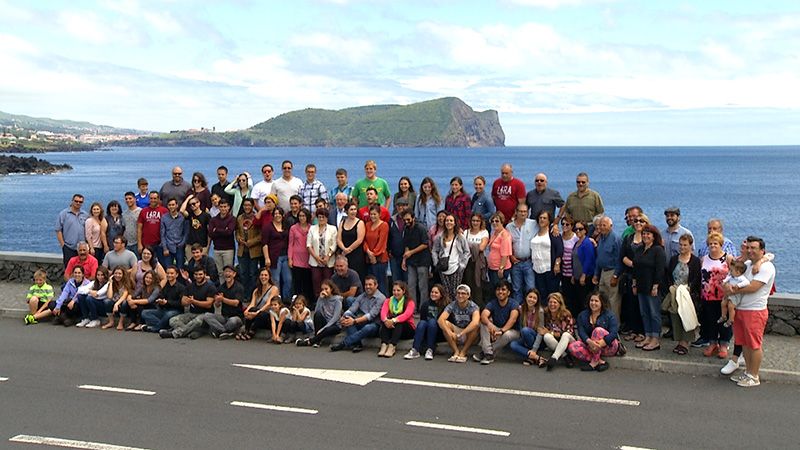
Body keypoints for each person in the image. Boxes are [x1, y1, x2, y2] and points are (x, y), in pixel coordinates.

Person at [725, 236, 776, 387]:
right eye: (748, 247)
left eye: (753, 248)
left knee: (754, 345)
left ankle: (754, 376)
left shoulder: (767, 267)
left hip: (755, 311)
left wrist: (733, 291)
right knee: (744, 344)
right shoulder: (747, 264)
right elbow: (732, 275)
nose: (749, 250)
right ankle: (748, 372)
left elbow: (754, 287)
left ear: (762, 250)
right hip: (741, 309)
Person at [697, 232, 734, 356]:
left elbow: (735, 274)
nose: (713, 246)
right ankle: (712, 343)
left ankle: (723, 344)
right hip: (707, 296)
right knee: (710, 320)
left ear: (721, 245)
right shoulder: (704, 259)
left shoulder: (728, 258)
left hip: (724, 296)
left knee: (724, 320)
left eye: (715, 243)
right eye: (711, 244)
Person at [665, 234, 702, 355]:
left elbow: (697, 277)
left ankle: (686, 342)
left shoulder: (695, 261)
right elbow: (669, 274)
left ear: (690, 246)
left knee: (686, 317)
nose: (682, 247)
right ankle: (679, 340)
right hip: (675, 291)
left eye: (685, 245)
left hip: (688, 293)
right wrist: (671, 287)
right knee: (675, 316)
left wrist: (690, 289)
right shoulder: (674, 259)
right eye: (680, 245)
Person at [632, 224, 666, 352]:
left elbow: (660, 270)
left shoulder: (658, 250)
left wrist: (656, 286)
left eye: (648, 234)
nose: (645, 236)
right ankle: (647, 336)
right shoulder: (639, 249)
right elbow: (635, 267)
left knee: (654, 313)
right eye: (644, 233)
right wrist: (634, 284)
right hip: (640, 285)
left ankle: (655, 339)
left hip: (652, 287)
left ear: (654, 236)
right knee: (644, 313)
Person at [568, 291, 621, 371]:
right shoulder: (582, 315)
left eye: (596, 301)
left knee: (598, 330)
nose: (593, 303)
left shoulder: (610, 315)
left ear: (602, 303)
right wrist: (590, 342)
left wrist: (601, 343)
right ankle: (600, 361)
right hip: (591, 345)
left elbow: (613, 333)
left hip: (609, 346)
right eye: (591, 300)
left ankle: (595, 362)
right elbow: (581, 332)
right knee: (572, 347)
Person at [332, 275, 386, 352]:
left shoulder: (381, 298)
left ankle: (344, 343)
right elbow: (352, 308)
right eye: (366, 285)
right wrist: (344, 316)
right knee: (347, 318)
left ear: (376, 285)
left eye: (370, 284)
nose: (367, 287)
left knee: (368, 327)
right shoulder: (362, 296)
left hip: (373, 324)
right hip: (360, 321)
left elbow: (371, 315)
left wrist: (354, 321)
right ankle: (357, 344)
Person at [160, 266, 217, 339]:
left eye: (200, 274)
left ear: (205, 275)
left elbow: (208, 305)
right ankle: (194, 331)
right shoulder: (190, 286)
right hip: (192, 313)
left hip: (206, 315)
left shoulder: (210, 287)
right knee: (173, 320)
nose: (198, 276)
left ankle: (174, 333)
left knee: (197, 321)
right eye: (196, 274)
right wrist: (186, 302)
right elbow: (183, 302)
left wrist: (193, 301)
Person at [474, 280, 520, 365]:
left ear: (508, 292)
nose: (500, 292)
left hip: (512, 331)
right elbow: (483, 315)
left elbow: (512, 320)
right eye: (498, 289)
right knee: (483, 323)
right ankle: (489, 354)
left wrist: (502, 331)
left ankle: (486, 352)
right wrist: (490, 325)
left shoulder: (513, 304)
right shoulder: (493, 303)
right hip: (497, 329)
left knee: (507, 334)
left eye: (503, 289)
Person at [619, 213, 649, 343]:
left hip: (644, 276)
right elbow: (623, 255)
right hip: (630, 275)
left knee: (642, 305)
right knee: (631, 304)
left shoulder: (648, 238)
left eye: (641, 221)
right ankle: (633, 330)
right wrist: (631, 263)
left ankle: (643, 331)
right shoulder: (629, 238)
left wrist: (638, 264)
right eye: (636, 221)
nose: (638, 223)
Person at [431, 212, 470, 300]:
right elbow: (434, 250)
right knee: (446, 292)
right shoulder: (440, 237)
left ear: (455, 223)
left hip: (456, 267)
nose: (449, 222)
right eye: (447, 220)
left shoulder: (460, 237)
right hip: (443, 267)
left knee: (455, 292)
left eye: (451, 220)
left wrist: (462, 265)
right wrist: (436, 263)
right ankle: (448, 308)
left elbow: (467, 251)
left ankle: (455, 307)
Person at [438, 284, 481, 363]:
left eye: (463, 293)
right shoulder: (452, 305)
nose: (460, 296)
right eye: (458, 293)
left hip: (468, 332)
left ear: (468, 295)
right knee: (445, 324)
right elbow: (440, 320)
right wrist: (450, 333)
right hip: (457, 330)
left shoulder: (473, 306)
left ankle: (463, 352)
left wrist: (462, 333)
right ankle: (456, 351)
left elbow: (475, 322)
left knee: (476, 326)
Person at [405, 284, 448, 360]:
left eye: (436, 293)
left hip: (439, 332)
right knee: (422, 323)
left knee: (432, 321)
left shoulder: (445, 305)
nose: (433, 294)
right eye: (432, 292)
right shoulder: (425, 304)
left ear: (441, 295)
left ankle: (430, 349)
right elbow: (423, 318)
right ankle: (415, 349)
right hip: (427, 331)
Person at [296, 280, 343, 347]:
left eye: (326, 289)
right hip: (325, 322)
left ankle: (310, 342)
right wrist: (320, 299)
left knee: (327, 329)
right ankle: (317, 341)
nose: (324, 291)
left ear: (331, 289)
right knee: (318, 315)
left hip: (335, 325)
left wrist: (323, 329)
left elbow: (335, 318)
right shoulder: (322, 298)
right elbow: (316, 312)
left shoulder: (337, 300)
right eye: (322, 289)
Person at [202, 265, 245, 339]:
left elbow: (236, 303)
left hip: (236, 317)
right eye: (225, 272)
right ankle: (225, 331)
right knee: (206, 316)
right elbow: (217, 305)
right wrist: (217, 301)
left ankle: (218, 330)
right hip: (224, 316)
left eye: (229, 272)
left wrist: (222, 299)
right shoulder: (221, 287)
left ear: (234, 274)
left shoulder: (239, 287)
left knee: (233, 321)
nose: (227, 274)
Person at [505, 204, 537, 303]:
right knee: (516, 288)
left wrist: (555, 227)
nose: (523, 213)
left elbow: (545, 224)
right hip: (515, 262)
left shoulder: (533, 224)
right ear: (516, 212)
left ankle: (529, 309)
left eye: (525, 211)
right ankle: (517, 309)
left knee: (530, 288)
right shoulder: (509, 227)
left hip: (528, 262)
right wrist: (511, 256)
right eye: (521, 211)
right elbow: (507, 243)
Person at [592, 215, 622, 319]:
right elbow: (599, 258)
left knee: (613, 301)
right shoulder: (601, 238)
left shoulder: (616, 239)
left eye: (604, 225)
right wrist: (596, 274)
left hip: (612, 272)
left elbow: (619, 259)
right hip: (602, 272)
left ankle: (615, 324)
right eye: (600, 225)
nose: (601, 227)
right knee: (603, 300)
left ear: (611, 226)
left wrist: (615, 276)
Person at [237, 267, 279, 340]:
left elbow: (269, 304)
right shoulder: (256, 290)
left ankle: (251, 331)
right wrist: (247, 310)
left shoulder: (274, 289)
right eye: (262, 275)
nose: (263, 277)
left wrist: (257, 312)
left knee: (261, 314)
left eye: (265, 275)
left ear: (269, 277)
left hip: (269, 316)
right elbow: (252, 303)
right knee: (251, 310)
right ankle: (246, 330)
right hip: (257, 315)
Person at [401, 211, 432, 308]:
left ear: (413, 218)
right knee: (411, 285)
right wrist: (404, 259)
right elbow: (406, 244)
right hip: (411, 261)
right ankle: (412, 308)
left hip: (422, 260)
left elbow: (425, 244)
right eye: (404, 220)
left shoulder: (421, 228)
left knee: (423, 286)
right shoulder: (406, 229)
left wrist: (411, 252)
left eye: (408, 219)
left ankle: (423, 308)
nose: (406, 222)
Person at [377, 281, 416, 358]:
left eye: (398, 290)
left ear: (403, 291)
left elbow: (406, 315)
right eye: (394, 290)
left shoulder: (410, 302)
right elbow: (383, 313)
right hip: (393, 328)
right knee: (385, 321)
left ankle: (392, 346)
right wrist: (386, 320)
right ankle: (384, 344)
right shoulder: (388, 300)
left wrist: (393, 320)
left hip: (407, 329)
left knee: (399, 322)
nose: (396, 293)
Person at [530, 210, 564, 301]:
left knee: (552, 295)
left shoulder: (553, 232)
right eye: (540, 218)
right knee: (541, 294)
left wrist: (557, 264)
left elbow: (560, 249)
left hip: (550, 269)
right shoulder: (535, 233)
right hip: (537, 269)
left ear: (549, 220)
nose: (542, 220)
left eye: (544, 218)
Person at [141, 266, 185, 332]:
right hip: (164, 309)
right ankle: (165, 327)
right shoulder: (165, 286)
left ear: (177, 275)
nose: (169, 275)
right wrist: (160, 301)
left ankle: (154, 328)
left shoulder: (181, 287)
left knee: (169, 314)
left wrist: (167, 302)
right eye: (168, 273)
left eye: (172, 273)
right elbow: (161, 297)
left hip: (176, 310)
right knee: (145, 312)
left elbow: (180, 303)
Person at [509, 288, 547, 367]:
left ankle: (532, 355)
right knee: (513, 344)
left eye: (534, 298)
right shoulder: (521, 309)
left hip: (537, 339)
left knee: (525, 330)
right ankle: (537, 358)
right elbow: (520, 326)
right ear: (526, 297)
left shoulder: (540, 311)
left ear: (537, 300)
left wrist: (534, 349)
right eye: (530, 297)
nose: (531, 300)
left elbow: (540, 332)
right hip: (525, 337)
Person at [261, 206, 292, 301]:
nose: (277, 215)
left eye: (279, 213)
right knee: (276, 280)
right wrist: (267, 258)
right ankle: (276, 301)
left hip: (286, 256)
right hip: (274, 257)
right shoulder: (268, 227)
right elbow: (264, 243)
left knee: (288, 279)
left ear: (283, 215)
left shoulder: (286, 226)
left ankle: (286, 300)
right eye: (275, 214)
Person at [540, 292, 576, 370]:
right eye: (550, 302)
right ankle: (565, 356)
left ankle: (554, 357)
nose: (552, 304)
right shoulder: (545, 313)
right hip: (554, 341)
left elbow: (569, 332)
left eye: (555, 302)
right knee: (546, 336)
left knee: (565, 335)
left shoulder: (566, 314)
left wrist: (551, 332)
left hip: (568, 341)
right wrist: (549, 333)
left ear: (560, 304)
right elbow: (543, 330)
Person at [307, 207, 338, 298]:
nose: (321, 219)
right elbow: (308, 245)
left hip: (328, 261)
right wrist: (316, 257)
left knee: (328, 282)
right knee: (316, 281)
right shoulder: (312, 228)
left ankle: (328, 300)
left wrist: (328, 256)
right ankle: (318, 300)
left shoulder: (333, 229)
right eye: (319, 217)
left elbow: (334, 244)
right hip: (315, 261)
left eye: (323, 217)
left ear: (327, 218)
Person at [235, 198, 262, 295]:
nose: (247, 207)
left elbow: (261, 234)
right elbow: (237, 231)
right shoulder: (239, 218)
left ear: (253, 206)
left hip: (253, 251)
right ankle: (245, 294)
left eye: (249, 205)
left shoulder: (257, 217)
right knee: (243, 274)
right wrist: (238, 238)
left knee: (253, 274)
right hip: (242, 251)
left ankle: (252, 295)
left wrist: (251, 242)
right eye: (245, 205)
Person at [462, 213, 489, 306]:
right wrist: (474, 246)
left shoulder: (484, 232)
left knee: (478, 285)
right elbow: (462, 247)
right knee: (469, 285)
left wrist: (469, 246)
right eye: (473, 220)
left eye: (477, 221)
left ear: (481, 222)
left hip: (479, 262)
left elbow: (482, 247)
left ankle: (478, 307)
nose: (475, 223)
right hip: (468, 261)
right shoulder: (466, 232)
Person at [289, 208, 314, 302]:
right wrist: (290, 258)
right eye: (300, 216)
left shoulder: (312, 228)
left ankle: (308, 302)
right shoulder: (293, 228)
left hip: (308, 258)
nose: (301, 218)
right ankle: (297, 302)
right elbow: (290, 244)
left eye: (303, 216)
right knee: (298, 282)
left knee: (307, 282)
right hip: (296, 259)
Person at [56, 194, 88, 268]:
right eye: (76, 201)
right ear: (72, 201)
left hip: (82, 249)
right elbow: (58, 230)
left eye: (80, 202)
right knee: (69, 269)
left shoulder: (85, 215)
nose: (78, 203)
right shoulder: (63, 214)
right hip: (69, 248)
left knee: (83, 270)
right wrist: (63, 245)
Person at [571, 220, 596, 316]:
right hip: (576, 276)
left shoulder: (587, 243)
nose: (578, 231)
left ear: (585, 230)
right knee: (577, 300)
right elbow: (574, 260)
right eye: (576, 229)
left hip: (585, 277)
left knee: (585, 300)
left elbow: (589, 260)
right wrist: (573, 275)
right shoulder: (576, 243)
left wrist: (584, 275)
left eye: (580, 229)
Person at [363, 205, 390, 294]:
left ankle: (384, 301)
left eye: (375, 214)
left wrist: (374, 255)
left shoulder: (384, 225)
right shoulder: (367, 225)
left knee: (381, 283)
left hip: (380, 259)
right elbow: (364, 241)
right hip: (369, 259)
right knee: (370, 284)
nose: (372, 216)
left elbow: (382, 242)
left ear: (379, 214)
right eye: (371, 214)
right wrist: (368, 252)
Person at [338, 201, 367, 281]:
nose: (354, 211)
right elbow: (338, 239)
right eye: (351, 210)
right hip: (344, 254)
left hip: (356, 255)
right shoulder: (342, 222)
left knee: (357, 277)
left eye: (355, 209)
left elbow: (359, 240)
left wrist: (348, 249)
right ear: (346, 211)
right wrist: (344, 249)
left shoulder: (360, 223)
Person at [558, 216, 580, 316]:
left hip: (572, 272)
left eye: (567, 224)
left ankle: (574, 316)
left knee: (574, 296)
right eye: (563, 224)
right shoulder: (559, 236)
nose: (564, 226)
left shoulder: (575, 238)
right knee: (565, 295)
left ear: (572, 226)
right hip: (563, 271)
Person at [719, 260, 749, 327]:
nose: (730, 271)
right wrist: (724, 282)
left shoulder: (741, 278)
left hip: (735, 295)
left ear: (738, 272)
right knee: (723, 303)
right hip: (728, 294)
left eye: (731, 270)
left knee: (730, 306)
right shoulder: (731, 276)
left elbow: (747, 282)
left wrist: (738, 285)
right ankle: (723, 316)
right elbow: (726, 279)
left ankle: (731, 319)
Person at [208, 199, 236, 271]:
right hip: (217, 249)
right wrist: (224, 230)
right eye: (221, 207)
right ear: (218, 207)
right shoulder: (213, 220)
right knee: (220, 272)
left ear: (228, 207)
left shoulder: (232, 219)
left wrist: (216, 230)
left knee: (228, 271)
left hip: (228, 249)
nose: (223, 209)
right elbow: (211, 234)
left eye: (225, 206)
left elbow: (229, 232)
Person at [159, 197, 187, 269]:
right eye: (169, 205)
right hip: (168, 246)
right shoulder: (164, 217)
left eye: (173, 205)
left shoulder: (182, 217)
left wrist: (182, 243)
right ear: (167, 206)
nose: (171, 206)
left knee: (180, 268)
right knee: (169, 269)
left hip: (179, 247)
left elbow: (186, 232)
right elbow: (162, 234)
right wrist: (165, 248)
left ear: (177, 205)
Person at [136, 191, 168, 256]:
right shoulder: (143, 211)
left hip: (160, 244)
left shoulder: (164, 211)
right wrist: (139, 244)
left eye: (155, 198)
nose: (153, 200)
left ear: (158, 199)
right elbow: (139, 228)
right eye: (151, 198)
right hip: (146, 243)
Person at [103, 266, 134, 330]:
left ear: (123, 274)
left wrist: (116, 304)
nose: (117, 275)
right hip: (115, 303)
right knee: (107, 301)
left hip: (123, 304)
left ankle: (121, 322)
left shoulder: (127, 282)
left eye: (120, 274)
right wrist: (110, 283)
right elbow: (110, 296)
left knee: (124, 302)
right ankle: (111, 322)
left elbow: (124, 296)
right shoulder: (112, 282)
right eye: (116, 273)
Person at [486, 212, 512, 287]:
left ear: (502, 222)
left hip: (500, 269)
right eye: (492, 221)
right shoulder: (494, 233)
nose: (494, 223)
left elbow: (505, 254)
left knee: (499, 289)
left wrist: (501, 268)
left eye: (497, 221)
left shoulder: (505, 235)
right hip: (492, 267)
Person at [388, 198, 409, 283]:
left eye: (403, 205)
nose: (401, 208)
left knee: (407, 281)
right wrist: (389, 250)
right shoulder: (391, 220)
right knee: (396, 280)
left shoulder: (411, 221)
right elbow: (388, 236)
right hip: (394, 255)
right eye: (399, 205)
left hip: (407, 256)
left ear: (407, 206)